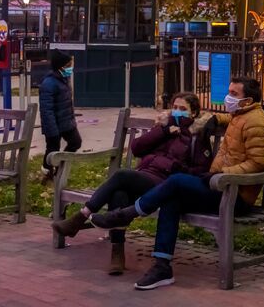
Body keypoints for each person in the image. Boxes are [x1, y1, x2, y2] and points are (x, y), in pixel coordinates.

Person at [90, 77, 264, 291]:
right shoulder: (240, 115)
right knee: (172, 198)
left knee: (176, 181)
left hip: (236, 195)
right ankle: (162, 267)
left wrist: (223, 173)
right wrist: (214, 118)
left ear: (247, 100)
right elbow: (229, 118)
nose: (228, 97)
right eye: (229, 91)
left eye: (234, 94)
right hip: (219, 187)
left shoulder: (257, 123)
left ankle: (127, 214)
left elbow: (259, 163)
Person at [51, 92, 216, 275]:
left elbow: (200, 171)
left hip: (164, 184)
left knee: (122, 176)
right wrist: (162, 131)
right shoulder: (163, 127)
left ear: (193, 113)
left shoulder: (196, 138)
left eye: (182, 109)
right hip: (143, 177)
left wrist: (174, 167)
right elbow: (136, 148)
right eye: (174, 107)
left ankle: (82, 216)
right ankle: (117, 253)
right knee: (119, 193)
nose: (177, 112)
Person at [39, 50, 82, 181]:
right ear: (61, 66)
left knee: (75, 142)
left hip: (66, 122)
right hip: (54, 124)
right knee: (52, 149)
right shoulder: (49, 84)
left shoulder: (63, 79)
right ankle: (47, 171)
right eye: (68, 65)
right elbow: (47, 110)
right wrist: (52, 130)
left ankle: (60, 167)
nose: (70, 68)